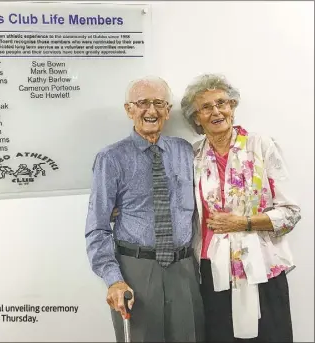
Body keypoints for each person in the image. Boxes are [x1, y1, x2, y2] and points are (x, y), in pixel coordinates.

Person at [180, 73, 301, 342]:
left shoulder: (261, 145)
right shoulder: (192, 156)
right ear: (196, 118)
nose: (216, 111)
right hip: (213, 271)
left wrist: (244, 223)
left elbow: (291, 212)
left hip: (262, 267)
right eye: (206, 107)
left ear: (233, 106)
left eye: (222, 103)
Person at [85, 76, 204, 342]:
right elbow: (97, 227)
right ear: (129, 110)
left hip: (184, 270)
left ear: (168, 110)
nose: (151, 111)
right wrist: (113, 279)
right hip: (135, 271)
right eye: (142, 103)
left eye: (159, 103)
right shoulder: (111, 158)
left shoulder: (186, 152)